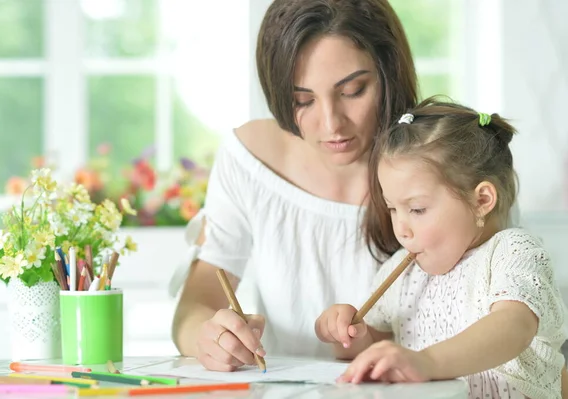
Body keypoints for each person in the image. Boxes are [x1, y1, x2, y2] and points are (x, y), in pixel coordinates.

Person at [171, 0, 418, 371]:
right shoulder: (250, 158)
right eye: (302, 100)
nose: (331, 124)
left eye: (353, 90)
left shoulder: (438, 159)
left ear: (389, 73)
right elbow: (196, 303)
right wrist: (209, 339)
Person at [315, 98, 567, 398]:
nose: (401, 228)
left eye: (418, 209)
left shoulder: (513, 252)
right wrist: (348, 334)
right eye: (393, 209)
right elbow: (371, 348)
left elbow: (513, 327)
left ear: (481, 200)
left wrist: (427, 362)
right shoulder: (403, 271)